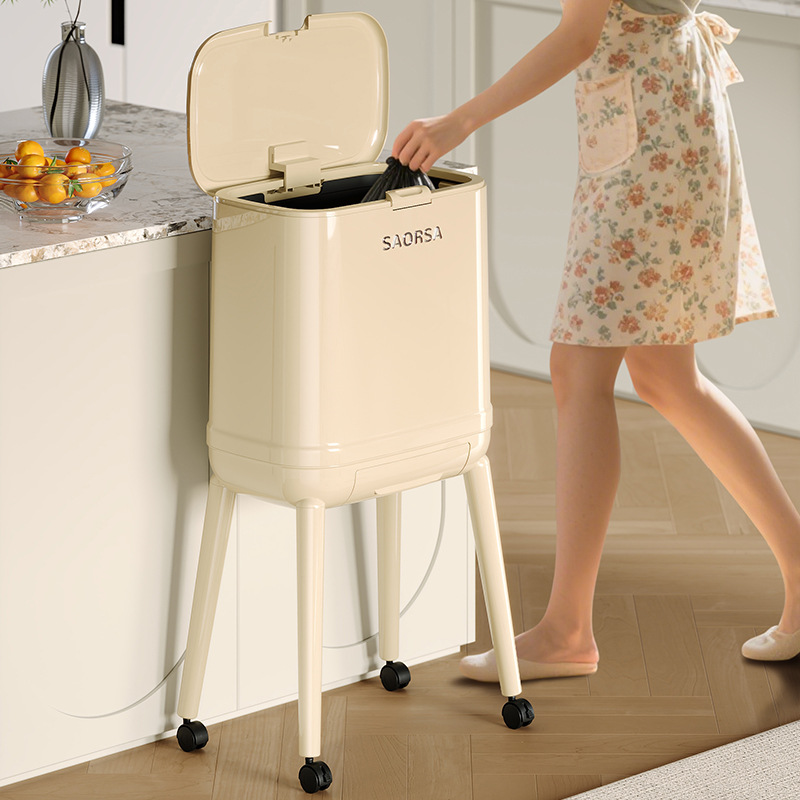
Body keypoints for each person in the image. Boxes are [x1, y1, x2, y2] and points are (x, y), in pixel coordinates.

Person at [392, 0, 800, 681]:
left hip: (651, 143)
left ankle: (567, 631)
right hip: (669, 120)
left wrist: (459, 120)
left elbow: (579, 34)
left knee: (582, 372)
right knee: (666, 379)